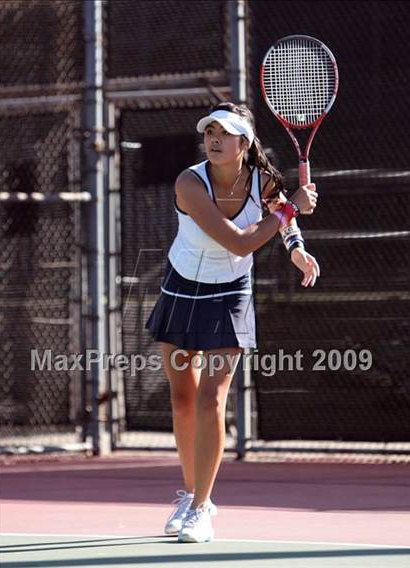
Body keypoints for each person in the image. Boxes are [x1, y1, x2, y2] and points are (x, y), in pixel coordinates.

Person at [145, 102, 319, 543]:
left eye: (225, 133)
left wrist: (295, 246)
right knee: (183, 400)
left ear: (245, 142)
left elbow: (281, 217)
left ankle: (202, 507)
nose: (215, 139)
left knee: (211, 400)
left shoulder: (263, 180)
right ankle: (188, 494)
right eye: (209, 133)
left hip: (231, 295)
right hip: (182, 289)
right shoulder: (189, 182)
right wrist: (289, 211)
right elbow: (239, 242)